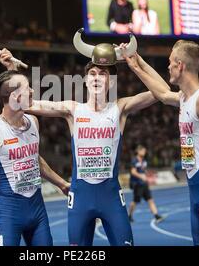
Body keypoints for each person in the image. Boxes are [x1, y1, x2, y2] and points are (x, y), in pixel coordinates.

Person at [19, 34, 167, 246]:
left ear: (111, 81)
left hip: (112, 197)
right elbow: (25, 103)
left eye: (103, 74)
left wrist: (135, 61)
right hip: (80, 198)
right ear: (86, 80)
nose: (97, 77)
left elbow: (162, 91)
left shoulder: (120, 108)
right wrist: (12, 72)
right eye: (93, 74)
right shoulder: (72, 110)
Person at [123, 40, 199, 246]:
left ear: (180, 65)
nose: (168, 67)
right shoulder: (185, 98)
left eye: (170, 62)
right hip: (195, 189)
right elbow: (163, 94)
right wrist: (136, 63)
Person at [0, 50, 70, 246]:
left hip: (37, 209)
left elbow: (35, 160)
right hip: (10, 212)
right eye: (28, 89)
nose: (33, 92)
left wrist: (61, 183)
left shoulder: (33, 121)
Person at [128, 145, 164, 223]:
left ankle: (156, 216)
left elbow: (144, 171)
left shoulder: (144, 161)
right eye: (143, 151)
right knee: (135, 201)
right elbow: (133, 172)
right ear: (138, 151)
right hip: (137, 184)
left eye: (145, 151)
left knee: (150, 200)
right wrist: (141, 176)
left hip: (144, 183)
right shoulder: (134, 160)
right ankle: (129, 215)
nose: (144, 152)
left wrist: (150, 175)